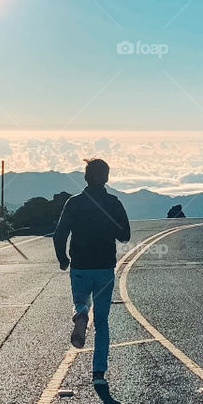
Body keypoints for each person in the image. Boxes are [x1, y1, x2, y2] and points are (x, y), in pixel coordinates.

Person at [53, 157, 131, 383]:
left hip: (80, 266)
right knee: (102, 322)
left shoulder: (73, 203)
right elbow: (124, 235)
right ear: (106, 178)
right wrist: (109, 224)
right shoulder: (114, 203)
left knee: (81, 302)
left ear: (86, 177)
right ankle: (99, 373)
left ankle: (80, 314)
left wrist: (62, 259)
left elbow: (60, 234)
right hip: (104, 267)